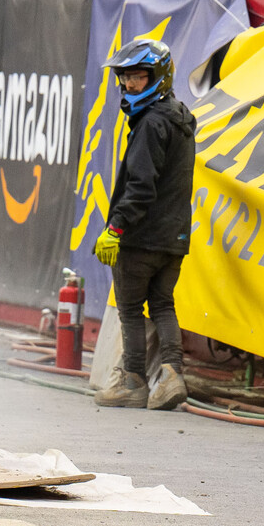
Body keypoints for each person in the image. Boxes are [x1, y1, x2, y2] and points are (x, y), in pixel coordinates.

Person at [92, 37, 196, 413]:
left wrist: (116, 228)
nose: (128, 85)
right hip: (174, 236)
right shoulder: (181, 115)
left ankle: (133, 380)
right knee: (163, 305)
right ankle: (171, 375)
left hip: (141, 236)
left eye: (137, 77)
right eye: (125, 78)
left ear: (159, 77)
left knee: (132, 309)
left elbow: (140, 185)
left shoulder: (151, 122)